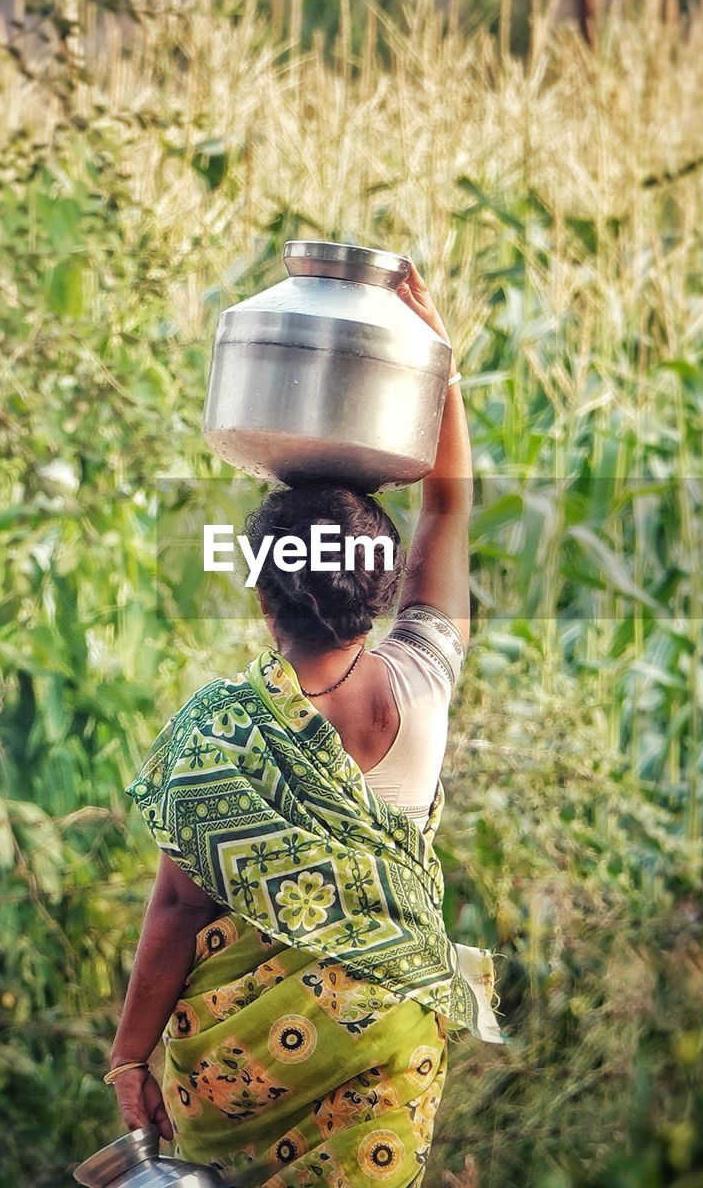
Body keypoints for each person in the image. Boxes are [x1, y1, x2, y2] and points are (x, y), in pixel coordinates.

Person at [108, 263, 509, 1187]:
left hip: (243, 1066)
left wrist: (130, 1060)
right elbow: (448, 506)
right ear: (381, 591)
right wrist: (436, 368)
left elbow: (176, 908)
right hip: (386, 1050)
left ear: (261, 595)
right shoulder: (419, 684)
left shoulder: (220, 731)